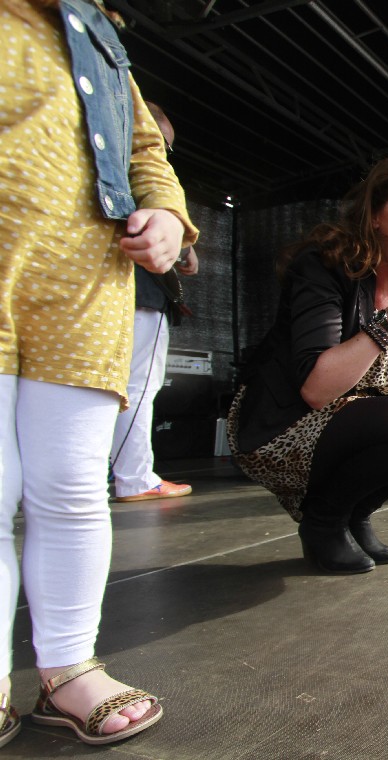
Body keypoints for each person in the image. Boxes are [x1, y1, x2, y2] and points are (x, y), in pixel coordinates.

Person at [1, 0, 198, 746]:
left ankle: (67, 667)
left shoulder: (97, 34)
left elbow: (147, 151)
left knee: (72, 486)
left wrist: (169, 215)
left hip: (82, 282)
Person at [226, 150, 388, 575]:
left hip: (345, 421)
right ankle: (323, 522)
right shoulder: (325, 266)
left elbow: (387, 379)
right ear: (375, 215)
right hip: (280, 427)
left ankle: (355, 512)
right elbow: (316, 389)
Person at [109, 101, 196, 503]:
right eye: (165, 146)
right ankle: (135, 477)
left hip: (100, 288)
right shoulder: (135, 161)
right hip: (139, 291)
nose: (164, 154)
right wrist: (182, 246)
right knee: (138, 385)